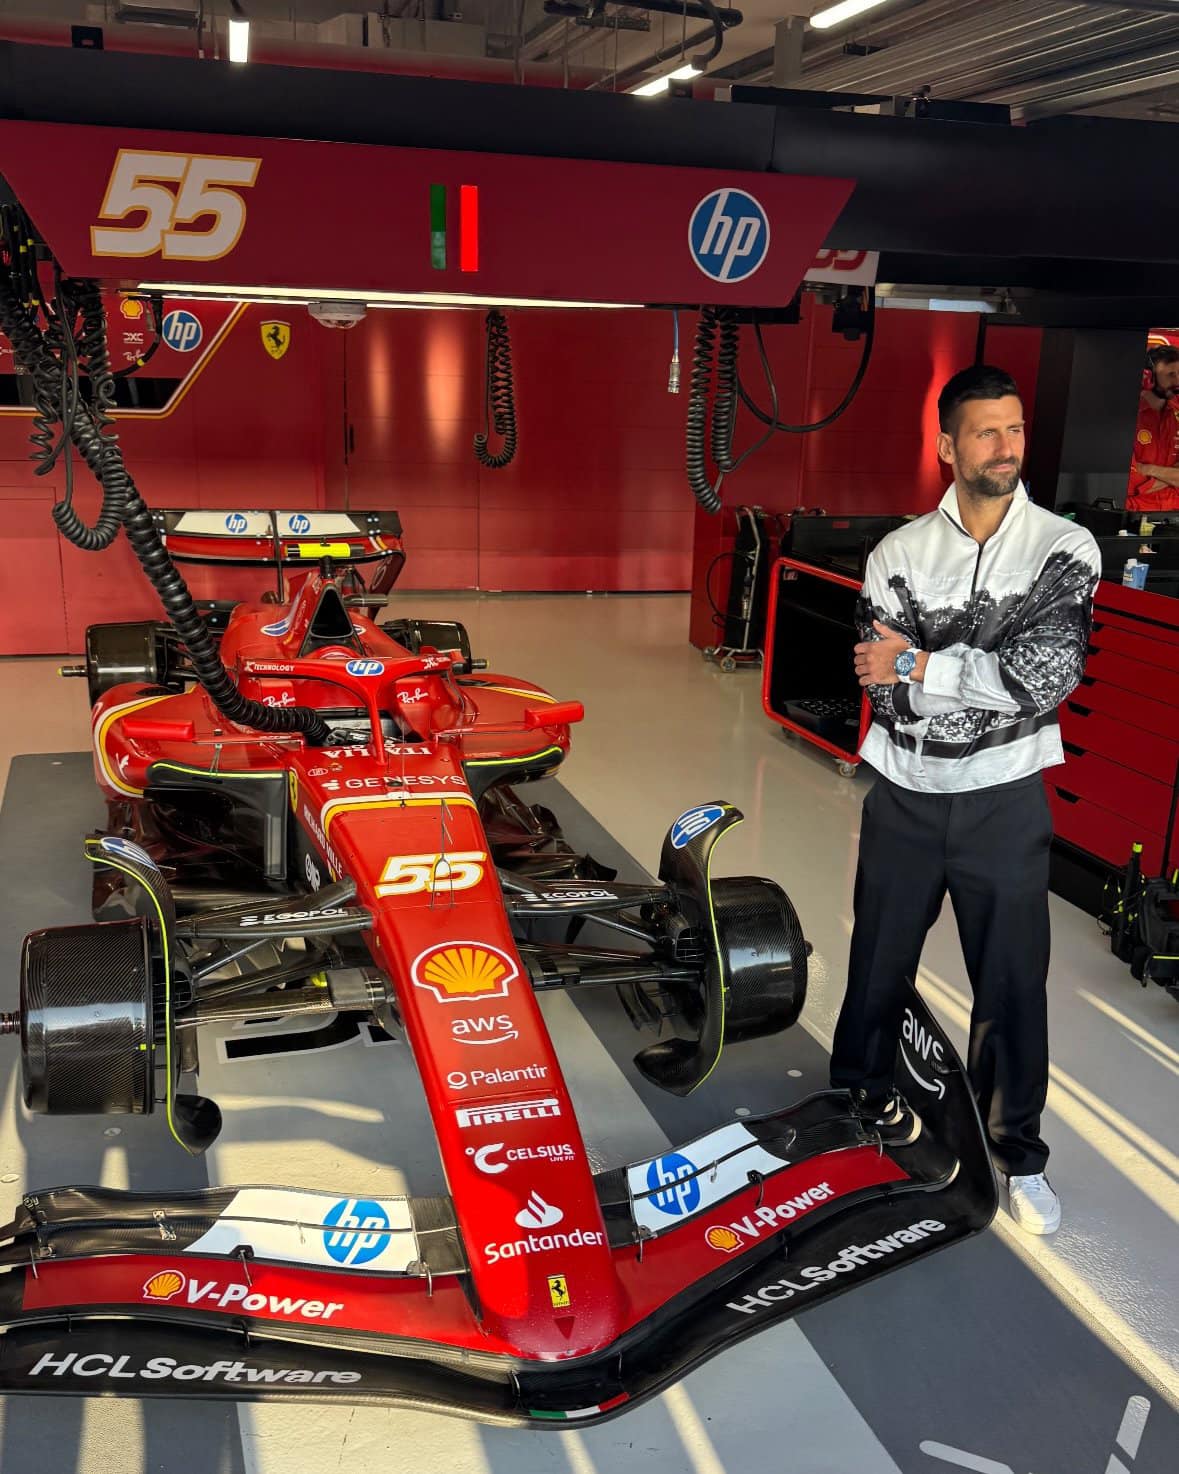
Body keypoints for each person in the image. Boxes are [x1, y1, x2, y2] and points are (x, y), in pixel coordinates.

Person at [830, 363, 1101, 1236]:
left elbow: (1041, 682)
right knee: (874, 967)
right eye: (985, 432)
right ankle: (854, 1113)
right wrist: (934, 676)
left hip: (1004, 802)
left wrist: (919, 660)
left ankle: (1015, 1155)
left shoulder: (1063, 549)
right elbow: (884, 694)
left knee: (1013, 988)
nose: (1005, 447)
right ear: (946, 445)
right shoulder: (897, 555)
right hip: (903, 797)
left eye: (1014, 429)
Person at [1127, 344, 1179, 513]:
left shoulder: (1177, 414)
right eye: (1171, 375)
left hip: (1174, 517)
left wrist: (1148, 469)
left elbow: (1139, 475)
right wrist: (1172, 476)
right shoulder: (1126, 416)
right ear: (1148, 376)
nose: (1177, 381)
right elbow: (1128, 482)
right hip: (1132, 516)